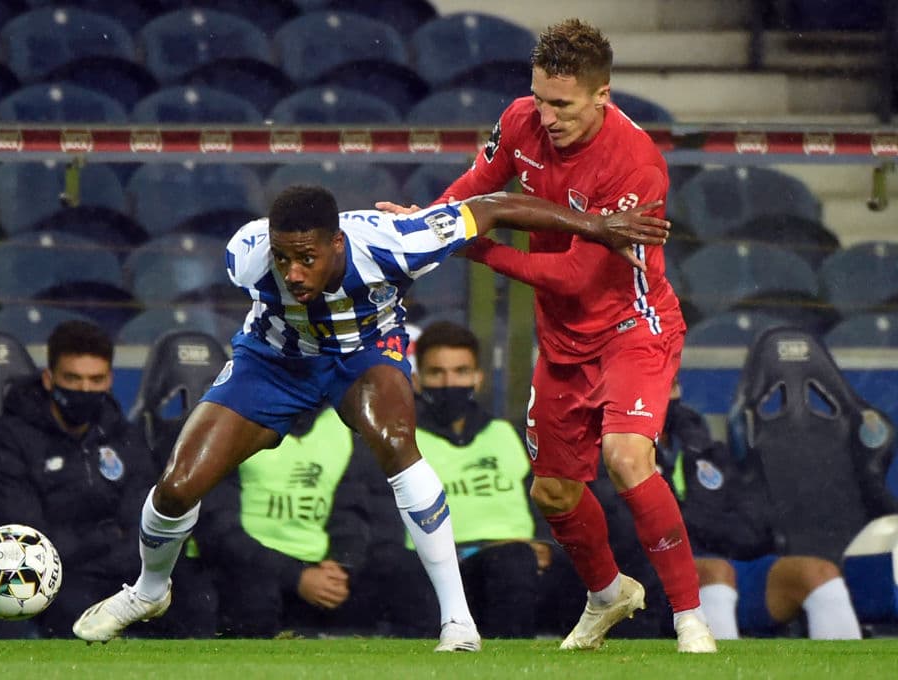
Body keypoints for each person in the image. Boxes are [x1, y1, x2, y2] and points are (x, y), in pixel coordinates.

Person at [71, 183, 671, 650]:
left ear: (337, 244)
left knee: (396, 441)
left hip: (363, 356)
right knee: (178, 485)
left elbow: (493, 207)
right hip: (273, 363)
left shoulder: (396, 241)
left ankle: (458, 621)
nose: (293, 272)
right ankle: (148, 590)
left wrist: (596, 226)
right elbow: (271, 270)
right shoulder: (247, 255)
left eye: (306, 258)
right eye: (284, 259)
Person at [377, 18, 714, 653]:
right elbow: (474, 190)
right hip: (561, 338)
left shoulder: (636, 164)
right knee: (553, 491)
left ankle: (689, 618)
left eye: (562, 104)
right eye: (540, 99)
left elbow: (572, 275)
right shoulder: (519, 120)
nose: (547, 116)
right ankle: (607, 594)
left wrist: (470, 248)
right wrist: (432, 225)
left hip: (632, 327)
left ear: (601, 95)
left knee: (626, 458)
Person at [0, 320, 217, 638]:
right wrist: (106, 538)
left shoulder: (123, 434)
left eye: (96, 379)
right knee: (72, 607)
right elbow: (29, 534)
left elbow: (143, 510)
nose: (85, 390)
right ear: (49, 379)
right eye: (73, 379)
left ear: (110, 380)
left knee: (197, 598)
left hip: (127, 569)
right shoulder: (8, 440)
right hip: (63, 577)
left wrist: (119, 550)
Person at [347, 320, 552, 638]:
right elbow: (382, 522)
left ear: (478, 378)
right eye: (437, 373)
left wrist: (545, 544)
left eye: (461, 372)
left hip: (514, 563)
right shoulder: (398, 441)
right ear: (416, 380)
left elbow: (545, 501)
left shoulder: (510, 436)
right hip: (427, 567)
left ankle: (511, 660)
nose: (449, 383)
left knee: (514, 561)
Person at [659, 380, 863, 640]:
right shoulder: (621, 454)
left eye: (675, 384)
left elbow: (753, 526)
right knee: (716, 571)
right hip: (657, 580)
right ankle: (719, 664)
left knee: (819, 572)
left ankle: (848, 664)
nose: (672, 391)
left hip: (730, 568)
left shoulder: (703, 448)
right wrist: (706, 524)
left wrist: (696, 522)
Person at [192, 405, 377, 638]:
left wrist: (341, 565)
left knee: (385, 582)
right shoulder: (232, 418)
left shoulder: (341, 426)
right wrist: (296, 576)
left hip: (318, 571)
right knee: (254, 597)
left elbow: (351, 513)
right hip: (243, 569)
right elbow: (217, 528)